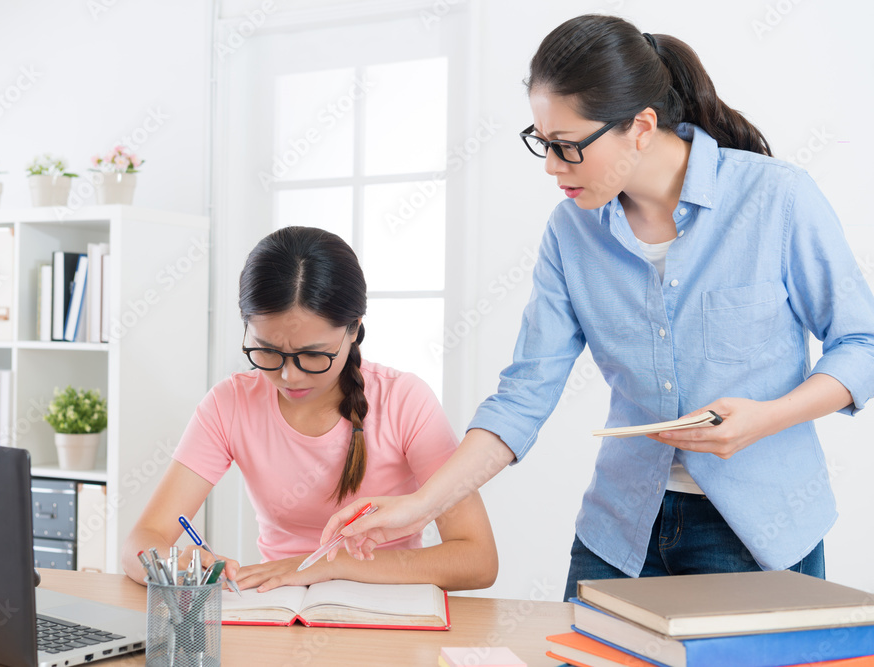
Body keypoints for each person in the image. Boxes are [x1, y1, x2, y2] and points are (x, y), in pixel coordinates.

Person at [321, 14, 874, 601]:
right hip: (623, 531)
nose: (552, 167)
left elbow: (861, 344)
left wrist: (768, 417)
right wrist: (419, 506)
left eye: (566, 147)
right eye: (542, 143)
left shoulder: (776, 198)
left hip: (759, 534)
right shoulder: (571, 232)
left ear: (640, 126)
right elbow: (525, 393)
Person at [123, 225, 498, 593]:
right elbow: (141, 542)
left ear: (354, 329)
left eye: (313, 355)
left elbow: (476, 559)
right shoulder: (229, 403)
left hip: (385, 610)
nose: (289, 376)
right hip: (276, 607)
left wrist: (332, 565)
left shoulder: (405, 400)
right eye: (267, 351)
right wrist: (172, 563)